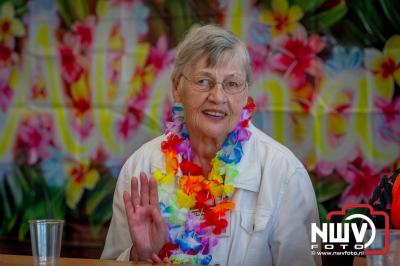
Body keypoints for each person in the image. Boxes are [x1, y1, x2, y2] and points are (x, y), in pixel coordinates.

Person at [101, 24, 321, 266]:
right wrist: (138, 256)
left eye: (232, 84)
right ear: (177, 88)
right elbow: (109, 261)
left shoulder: (285, 174)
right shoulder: (140, 168)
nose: (217, 96)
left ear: (245, 92)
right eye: (204, 81)